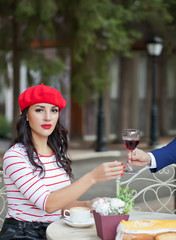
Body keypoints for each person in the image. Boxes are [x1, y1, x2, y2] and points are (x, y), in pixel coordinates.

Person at [0, 84, 125, 240]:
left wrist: (88, 205)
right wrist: (92, 177)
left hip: (56, 230)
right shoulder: (15, 156)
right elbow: (48, 204)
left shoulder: (57, 152)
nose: (48, 117)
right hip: (22, 234)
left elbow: (61, 203)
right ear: (26, 115)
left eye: (54, 110)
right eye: (39, 110)